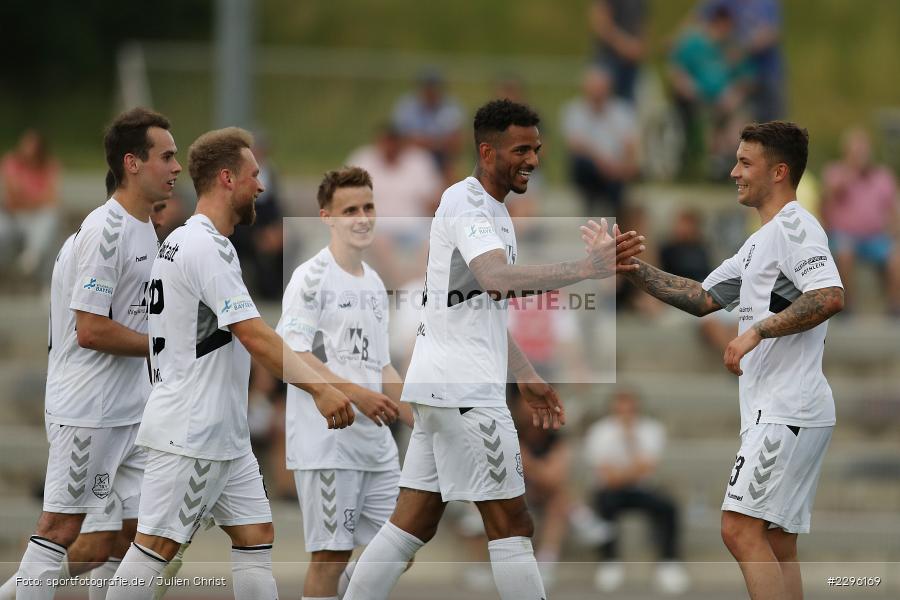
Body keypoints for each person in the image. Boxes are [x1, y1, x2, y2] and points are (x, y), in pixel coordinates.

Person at [343, 98, 645, 600]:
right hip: (465, 392)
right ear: (487, 152)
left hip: (443, 386)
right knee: (512, 523)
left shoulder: (494, 210)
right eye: (521, 149)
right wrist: (585, 268)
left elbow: (479, 304)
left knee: (412, 523)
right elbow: (497, 280)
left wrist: (523, 371)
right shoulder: (468, 203)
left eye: (537, 149)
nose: (533, 160)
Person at [590, 121, 844, 600]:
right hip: (783, 408)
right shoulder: (760, 241)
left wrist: (756, 331)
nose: (733, 172)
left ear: (779, 172)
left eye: (745, 162)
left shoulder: (795, 226)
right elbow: (703, 297)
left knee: (738, 528)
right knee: (776, 543)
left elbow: (829, 295)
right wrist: (630, 268)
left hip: (788, 408)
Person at [105, 127, 353, 600]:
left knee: (255, 535)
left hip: (220, 428)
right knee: (155, 548)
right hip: (193, 429)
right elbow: (253, 334)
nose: (261, 185)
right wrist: (319, 388)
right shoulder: (207, 248)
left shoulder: (187, 240)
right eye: (254, 175)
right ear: (227, 178)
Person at [3, 108, 180, 600]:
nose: (176, 167)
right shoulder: (106, 231)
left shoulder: (144, 227)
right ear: (132, 163)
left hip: (132, 410)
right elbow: (91, 329)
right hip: (89, 410)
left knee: (135, 536)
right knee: (60, 529)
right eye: (166, 156)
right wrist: (167, 348)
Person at [278, 166, 415, 600]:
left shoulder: (373, 283)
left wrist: (420, 419)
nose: (361, 218)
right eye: (350, 210)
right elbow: (292, 354)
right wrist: (357, 396)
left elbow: (382, 367)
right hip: (329, 443)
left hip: (375, 444)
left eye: (368, 207)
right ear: (327, 217)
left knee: (400, 548)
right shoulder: (310, 277)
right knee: (330, 557)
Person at [584, 389, 689, 594]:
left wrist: (630, 442)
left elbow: (647, 468)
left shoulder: (652, 429)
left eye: (630, 409)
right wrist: (631, 471)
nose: (625, 414)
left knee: (669, 507)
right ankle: (609, 561)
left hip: (642, 489)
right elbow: (607, 475)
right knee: (604, 504)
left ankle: (669, 562)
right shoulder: (599, 431)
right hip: (611, 491)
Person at [822, 127, 900, 313]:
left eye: (864, 150)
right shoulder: (835, 172)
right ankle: (847, 304)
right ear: (846, 152)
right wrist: (851, 172)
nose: (861, 155)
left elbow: (893, 210)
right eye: (856, 151)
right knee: (844, 251)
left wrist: (894, 230)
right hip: (844, 236)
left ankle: (895, 304)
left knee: (896, 254)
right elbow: (828, 199)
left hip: (876, 237)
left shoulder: (882, 176)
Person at [561, 66, 639, 217]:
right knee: (582, 162)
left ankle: (614, 212)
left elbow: (630, 144)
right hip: (591, 167)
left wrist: (623, 165)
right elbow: (575, 145)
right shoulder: (574, 110)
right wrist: (602, 162)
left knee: (620, 176)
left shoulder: (622, 111)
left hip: (616, 167)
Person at [0, 129, 60, 283]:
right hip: (12, 216)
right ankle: (30, 257)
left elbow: (52, 199)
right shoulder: (11, 162)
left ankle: (32, 256)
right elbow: (12, 198)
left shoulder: (49, 166)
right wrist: (36, 200)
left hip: (36, 218)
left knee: (50, 218)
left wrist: (26, 198)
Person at [391, 68, 464, 181]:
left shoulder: (450, 106)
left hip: (442, 157)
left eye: (434, 86)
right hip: (413, 155)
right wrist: (436, 142)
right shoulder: (406, 105)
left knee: (452, 171)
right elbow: (401, 138)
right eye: (427, 86)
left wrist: (424, 141)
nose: (430, 90)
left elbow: (455, 141)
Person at [590, 0, 648, 102]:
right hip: (608, 60)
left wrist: (638, 48)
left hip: (631, 63)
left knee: (628, 105)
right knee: (602, 103)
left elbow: (643, 25)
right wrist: (624, 45)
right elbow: (600, 21)